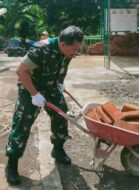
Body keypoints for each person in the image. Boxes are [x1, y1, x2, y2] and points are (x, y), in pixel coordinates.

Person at [5, 26, 84, 185]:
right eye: (74, 49)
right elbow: (21, 71)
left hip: (50, 87)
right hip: (30, 89)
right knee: (22, 125)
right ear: (63, 44)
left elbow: (62, 68)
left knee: (62, 115)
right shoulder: (41, 49)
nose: (76, 52)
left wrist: (60, 83)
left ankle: (58, 149)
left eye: (78, 48)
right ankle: (11, 165)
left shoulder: (68, 51)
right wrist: (34, 94)